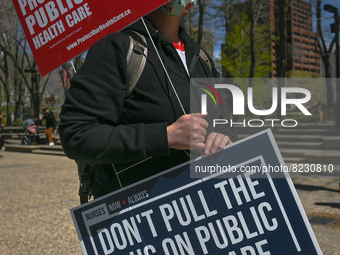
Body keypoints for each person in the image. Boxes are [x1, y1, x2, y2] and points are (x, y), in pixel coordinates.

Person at [59, 1, 237, 199]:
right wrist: (165, 136)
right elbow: (76, 134)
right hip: (138, 215)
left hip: (201, 209)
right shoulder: (117, 48)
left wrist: (224, 135)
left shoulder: (201, 58)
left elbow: (223, 121)